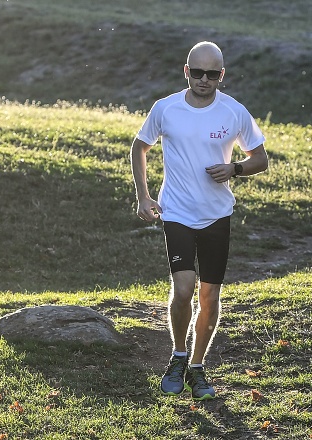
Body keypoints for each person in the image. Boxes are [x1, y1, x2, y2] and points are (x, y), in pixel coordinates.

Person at [130, 41, 268, 400]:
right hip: (175, 213)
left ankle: (197, 366)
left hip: (216, 216)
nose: (204, 79)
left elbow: (260, 159)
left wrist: (234, 168)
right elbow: (139, 147)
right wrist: (143, 196)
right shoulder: (166, 109)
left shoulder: (234, 112)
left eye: (212, 74)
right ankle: (178, 356)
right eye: (197, 72)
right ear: (186, 71)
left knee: (210, 295)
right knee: (184, 290)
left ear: (221, 75)